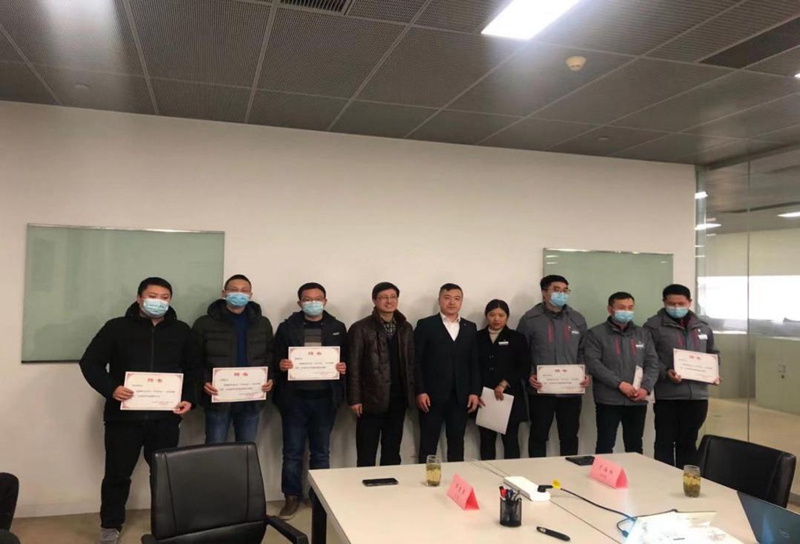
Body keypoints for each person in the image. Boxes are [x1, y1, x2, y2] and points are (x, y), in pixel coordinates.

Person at [79, 277, 196, 544]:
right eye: (152, 296)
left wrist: (189, 399)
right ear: (139, 298)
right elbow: (90, 363)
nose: (158, 301)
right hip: (123, 418)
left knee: (164, 475)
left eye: (164, 297)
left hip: (165, 418)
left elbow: (193, 369)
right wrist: (111, 388)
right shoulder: (116, 327)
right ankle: (110, 525)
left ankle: (166, 525)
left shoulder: (181, 331)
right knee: (117, 474)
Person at [273, 282, 347, 520]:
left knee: (321, 452)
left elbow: (347, 358)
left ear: (325, 301)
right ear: (300, 303)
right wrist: (280, 364)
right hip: (294, 399)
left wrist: (343, 367)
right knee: (292, 452)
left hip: (326, 398)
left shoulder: (337, 327)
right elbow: (274, 358)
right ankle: (291, 497)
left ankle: (319, 497)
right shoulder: (287, 327)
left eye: (318, 298)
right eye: (308, 299)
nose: (313, 303)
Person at [193, 274, 274, 444]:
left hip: (251, 399)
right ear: (224, 293)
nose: (239, 294)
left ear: (250, 295)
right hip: (218, 397)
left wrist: (270, 378)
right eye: (234, 290)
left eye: (244, 290)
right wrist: (204, 381)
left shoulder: (262, 323)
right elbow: (194, 359)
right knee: (215, 447)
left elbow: (270, 355)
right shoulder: (204, 323)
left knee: (246, 448)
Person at [645, 284, 720, 468]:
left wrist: (713, 372)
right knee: (664, 441)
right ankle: (663, 480)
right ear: (664, 302)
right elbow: (649, 357)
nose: (676, 307)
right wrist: (665, 372)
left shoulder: (702, 327)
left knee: (689, 442)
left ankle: (686, 480)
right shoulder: (653, 327)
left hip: (697, 396)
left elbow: (713, 353)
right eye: (672, 304)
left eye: (681, 303)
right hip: (668, 395)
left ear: (690, 302)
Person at [517, 275, 589, 458]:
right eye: (556, 290)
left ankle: (570, 473)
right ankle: (536, 472)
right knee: (538, 436)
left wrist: (584, 373)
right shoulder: (530, 319)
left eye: (565, 290)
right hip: (541, 391)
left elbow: (583, 351)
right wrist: (530, 375)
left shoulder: (577, 319)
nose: (562, 294)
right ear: (544, 293)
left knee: (569, 436)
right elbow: (521, 353)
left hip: (571, 391)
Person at [347, 282, 415, 467]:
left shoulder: (405, 327)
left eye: (393, 297)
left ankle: (390, 484)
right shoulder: (360, 328)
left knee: (392, 450)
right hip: (370, 399)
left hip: (398, 398)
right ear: (374, 300)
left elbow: (411, 364)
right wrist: (355, 399)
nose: (389, 301)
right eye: (384, 297)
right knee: (366, 451)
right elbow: (353, 365)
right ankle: (365, 484)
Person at [584, 292, 659, 455]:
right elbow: (594, 364)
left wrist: (645, 388)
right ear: (610, 309)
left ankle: (634, 472)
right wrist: (619, 384)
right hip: (608, 399)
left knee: (635, 445)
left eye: (630, 308)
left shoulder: (643, 334)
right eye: (621, 307)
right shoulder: (596, 333)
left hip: (637, 398)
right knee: (605, 444)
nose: (626, 311)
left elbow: (652, 363)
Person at [414, 283, 481, 463]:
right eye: (447, 298)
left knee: (457, 443)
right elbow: (416, 362)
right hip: (431, 396)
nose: (452, 302)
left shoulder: (469, 327)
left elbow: (474, 362)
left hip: (460, 396)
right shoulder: (426, 325)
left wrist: (474, 392)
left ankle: (455, 478)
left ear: (461, 302)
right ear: (439, 300)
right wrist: (420, 391)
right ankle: (426, 477)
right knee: (428, 444)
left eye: (457, 298)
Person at [476, 300, 530, 460]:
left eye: (501, 315)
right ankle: (486, 473)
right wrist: (476, 391)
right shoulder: (477, 337)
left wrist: (504, 384)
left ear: (507, 317)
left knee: (511, 440)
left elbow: (524, 366)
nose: (496, 319)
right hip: (484, 396)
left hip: (509, 395)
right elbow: (472, 366)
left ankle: (512, 473)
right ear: (486, 316)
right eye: (492, 315)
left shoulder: (517, 338)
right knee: (486, 441)